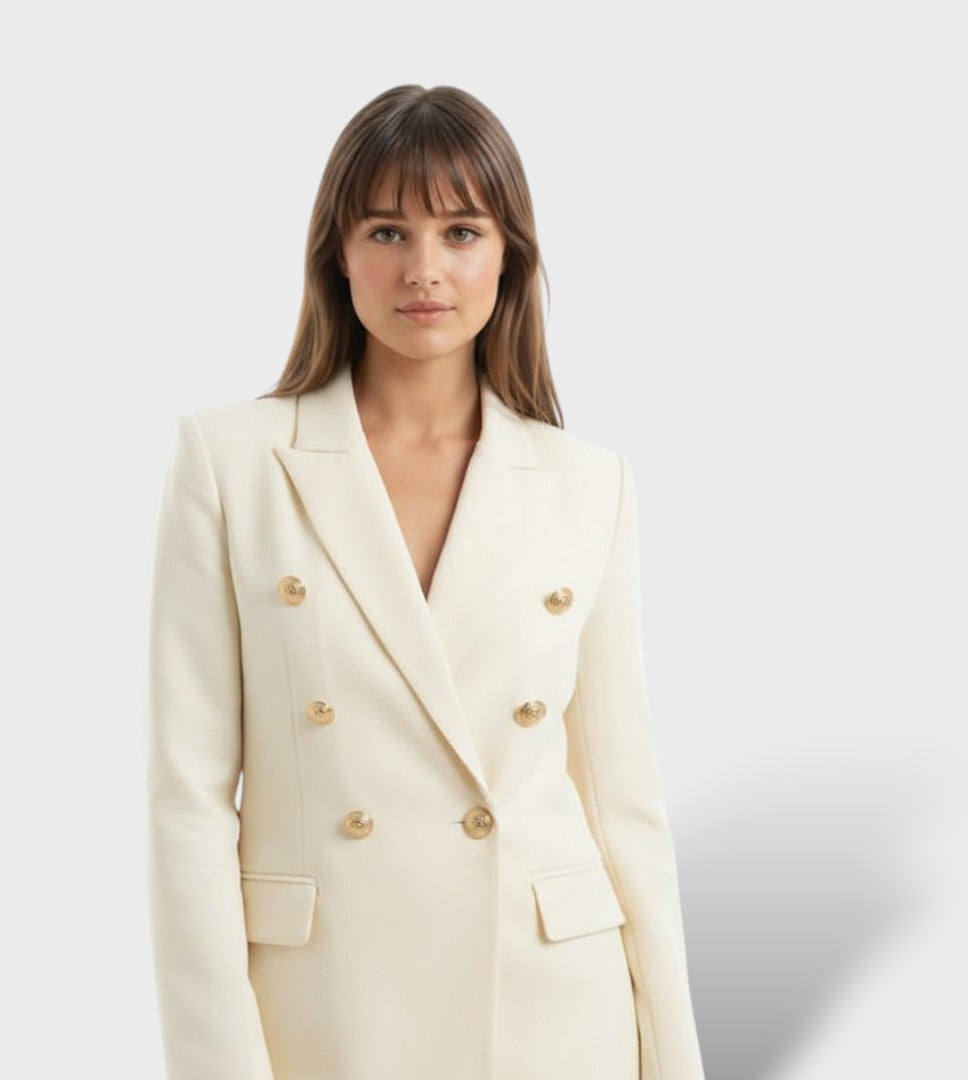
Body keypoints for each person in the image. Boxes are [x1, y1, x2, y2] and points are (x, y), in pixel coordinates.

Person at [144, 83, 706, 1080]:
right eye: (387, 231)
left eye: (461, 231)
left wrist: (674, 1060)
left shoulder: (588, 483)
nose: (425, 270)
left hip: (550, 1008)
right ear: (337, 252)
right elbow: (187, 802)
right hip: (326, 1011)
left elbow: (625, 806)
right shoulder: (232, 463)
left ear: (509, 255)